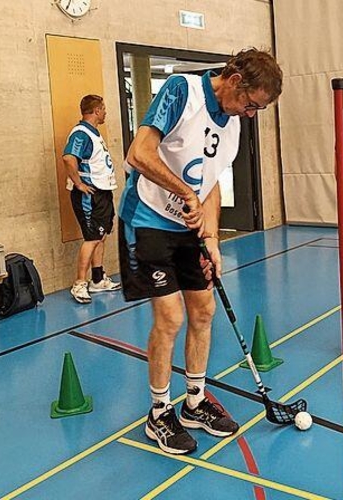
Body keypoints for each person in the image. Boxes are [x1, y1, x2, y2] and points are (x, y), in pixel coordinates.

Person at [118, 48, 283, 454]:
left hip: (189, 229)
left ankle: (193, 403)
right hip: (148, 219)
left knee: (204, 311)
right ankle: (159, 413)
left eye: (257, 109)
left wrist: (211, 238)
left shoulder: (233, 124)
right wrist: (184, 193)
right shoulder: (182, 91)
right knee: (171, 317)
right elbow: (137, 154)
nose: (250, 113)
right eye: (250, 104)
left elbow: (210, 184)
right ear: (233, 80)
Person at [63, 95, 121, 304]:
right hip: (89, 195)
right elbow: (69, 158)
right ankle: (79, 283)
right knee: (92, 238)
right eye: (103, 108)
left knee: (101, 235)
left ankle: (97, 279)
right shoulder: (81, 133)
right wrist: (79, 184)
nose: (105, 112)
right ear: (96, 110)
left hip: (102, 192)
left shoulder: (94, 134)